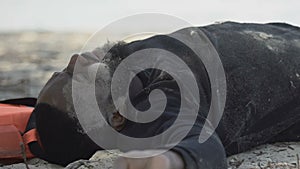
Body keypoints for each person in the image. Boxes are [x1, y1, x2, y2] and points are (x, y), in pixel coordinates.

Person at [29, 22, 300, 169]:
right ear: (117, 115)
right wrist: (171, 160)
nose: (75, 59)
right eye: (78, 79)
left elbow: (51, 120)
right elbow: (202, 146)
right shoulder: (160, 105)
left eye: (63, 70)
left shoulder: (120, 65)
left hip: (284, 33)